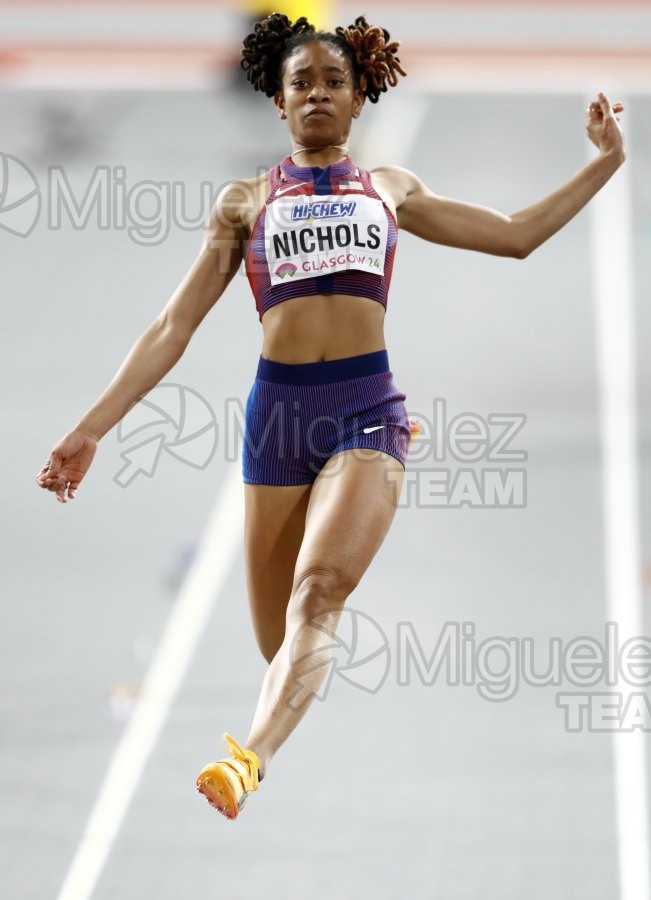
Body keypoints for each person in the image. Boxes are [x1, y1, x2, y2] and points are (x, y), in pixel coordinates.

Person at [36, 13, 625, 820]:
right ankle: (277, 714)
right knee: (278, 643)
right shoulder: (244, 204)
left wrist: (603, 164)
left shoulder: (389, 189)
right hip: (276, 421)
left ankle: (247, 760)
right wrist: (89, 428)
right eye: (300, 83)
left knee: (318, 595)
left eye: (333, 82)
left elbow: (516, 235)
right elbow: (172, 328)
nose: (317, 93)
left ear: (357, 101)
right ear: (277, 105)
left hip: (364, 412)